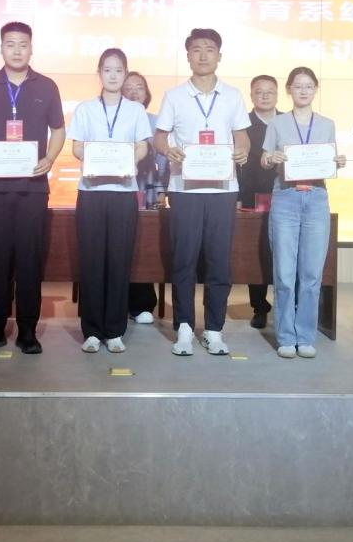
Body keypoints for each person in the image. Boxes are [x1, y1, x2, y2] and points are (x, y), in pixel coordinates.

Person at [0, 22, 66, 355]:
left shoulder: (46, 86)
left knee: (30, 261)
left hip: (33, 188)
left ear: (31, 48)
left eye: (22, 44)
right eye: (10, 44)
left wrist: (50, 157)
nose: (17, 50)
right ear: (1, 48)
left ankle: (28, 332)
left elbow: (58, 129)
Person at [153, 28, 250, 356]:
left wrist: (243, 151)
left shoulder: (233, 95)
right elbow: (160, 136)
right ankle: (183, 326)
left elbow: (242, 136)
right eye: (197, 49)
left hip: (223, 188)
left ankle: (213, 329)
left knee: (219, 259)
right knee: (184, 258)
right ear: (188, 56)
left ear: (219, 56)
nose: (203, 55)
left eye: (210, 49)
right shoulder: (175, 96)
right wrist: (167, 149)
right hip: (185, 188)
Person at [69, 49, 151, 353]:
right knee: (91, 261)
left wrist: (125, 160)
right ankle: (92, 331)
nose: (113, 75)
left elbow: (142, 146)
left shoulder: (135, 110)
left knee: (119, 260)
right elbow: (77, 147)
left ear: (125, 73)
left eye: (118, 70)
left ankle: (115, 330)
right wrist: (97, 157)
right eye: (107, 70)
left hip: (123, 192)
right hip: (91, 192)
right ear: (99, 73)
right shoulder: (85, 109)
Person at [260, 67, 346, 358]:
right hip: (286, 196)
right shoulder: (277, 123)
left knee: (311, 273)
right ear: (289, 90)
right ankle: (286, 336)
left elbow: (328, 160)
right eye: (298, 86)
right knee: (284, 273)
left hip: (317, 197)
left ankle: (305, 336)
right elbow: (263, 159)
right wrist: (270, 158)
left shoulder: (327, 124)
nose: (303, 91)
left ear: (315, 89)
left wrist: (337, 161)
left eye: (308, 86)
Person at [122, 71, 167, 324]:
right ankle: (118, 301)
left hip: (146, 189)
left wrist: (161, 191)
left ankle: (141, 304)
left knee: (143, 245)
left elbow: (163, 160)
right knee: (119, 245)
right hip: (118, 189)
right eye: (128, 87)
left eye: (139, 87)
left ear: (146, 93)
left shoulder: (155, 122)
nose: (134, 92)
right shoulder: (112, 119)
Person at [236, 74, 279, 329]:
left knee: (283, 251)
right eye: (259, 92)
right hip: (252, 196)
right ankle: (259, 307)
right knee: (257, 251)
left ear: (277, 95)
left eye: (269, 91)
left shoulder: (287, 121)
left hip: (284, 194)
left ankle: (286, 304)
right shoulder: (242, 124)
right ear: (251, 95)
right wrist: (238, 197)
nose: (264, 96)